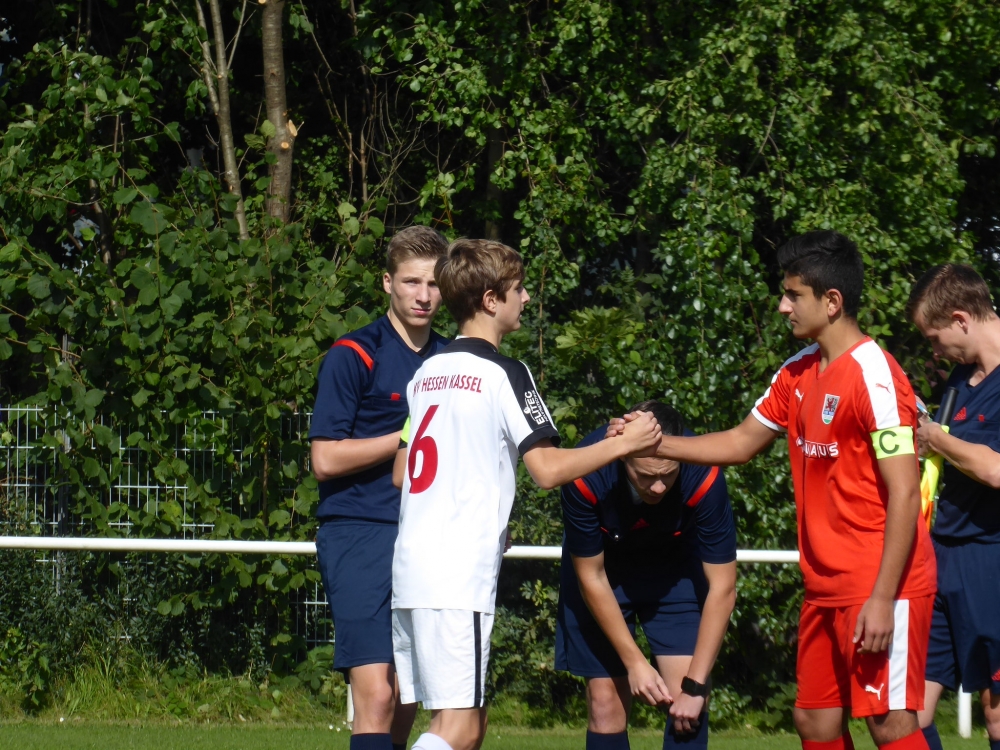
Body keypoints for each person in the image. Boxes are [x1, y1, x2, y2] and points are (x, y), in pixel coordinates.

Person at [613, 231, 937, 750]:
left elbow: (904, 493)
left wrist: (882, 599)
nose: (783, 306)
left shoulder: (876, 376)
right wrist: (652, 442)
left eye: (793, 295)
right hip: (825, 584)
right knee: (814, 722)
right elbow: (742, 442)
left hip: (881, 584)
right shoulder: (798, 371)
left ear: (832, 302)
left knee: (889, 723)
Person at [389, 239, 664, 750]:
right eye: (518, 289)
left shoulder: (426, 372)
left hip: (412, 566)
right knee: (458, 728)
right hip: (456, 574)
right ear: (491, 300)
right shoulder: (505, 372)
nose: (527, 299)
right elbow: (548, 470)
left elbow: (403, 473)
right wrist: (622, 444)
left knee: (468, 726)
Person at [309, 226, 450, 750]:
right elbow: (325, 459)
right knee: (377, 694)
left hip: (428, 536)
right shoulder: (353, 353)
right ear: (387, 283)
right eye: (412, 282)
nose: (423, 295)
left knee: (410, 693)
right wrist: (407, 435)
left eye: (434, 284)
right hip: (359, 531)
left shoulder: (452, 362)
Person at [556, 400, 737, 750]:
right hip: (602, 575)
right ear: (623, 456)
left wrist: (696, 686)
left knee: (688, 703)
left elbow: (723, 588)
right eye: (646, 476)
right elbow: (591, 577)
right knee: (605, 703)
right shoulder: (584, 472)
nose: (657, 488)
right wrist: (635, 663)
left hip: (674, 570)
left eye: (668, 475)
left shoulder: (704, 474)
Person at [906, 264, 1000, 750]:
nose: (935, 352)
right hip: (940, 555)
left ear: (961, 319)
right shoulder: (961, 378)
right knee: (906, 711)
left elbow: (996, 471)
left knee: (996, 715)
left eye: (935, 338)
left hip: (991, 558)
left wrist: (939, 440)